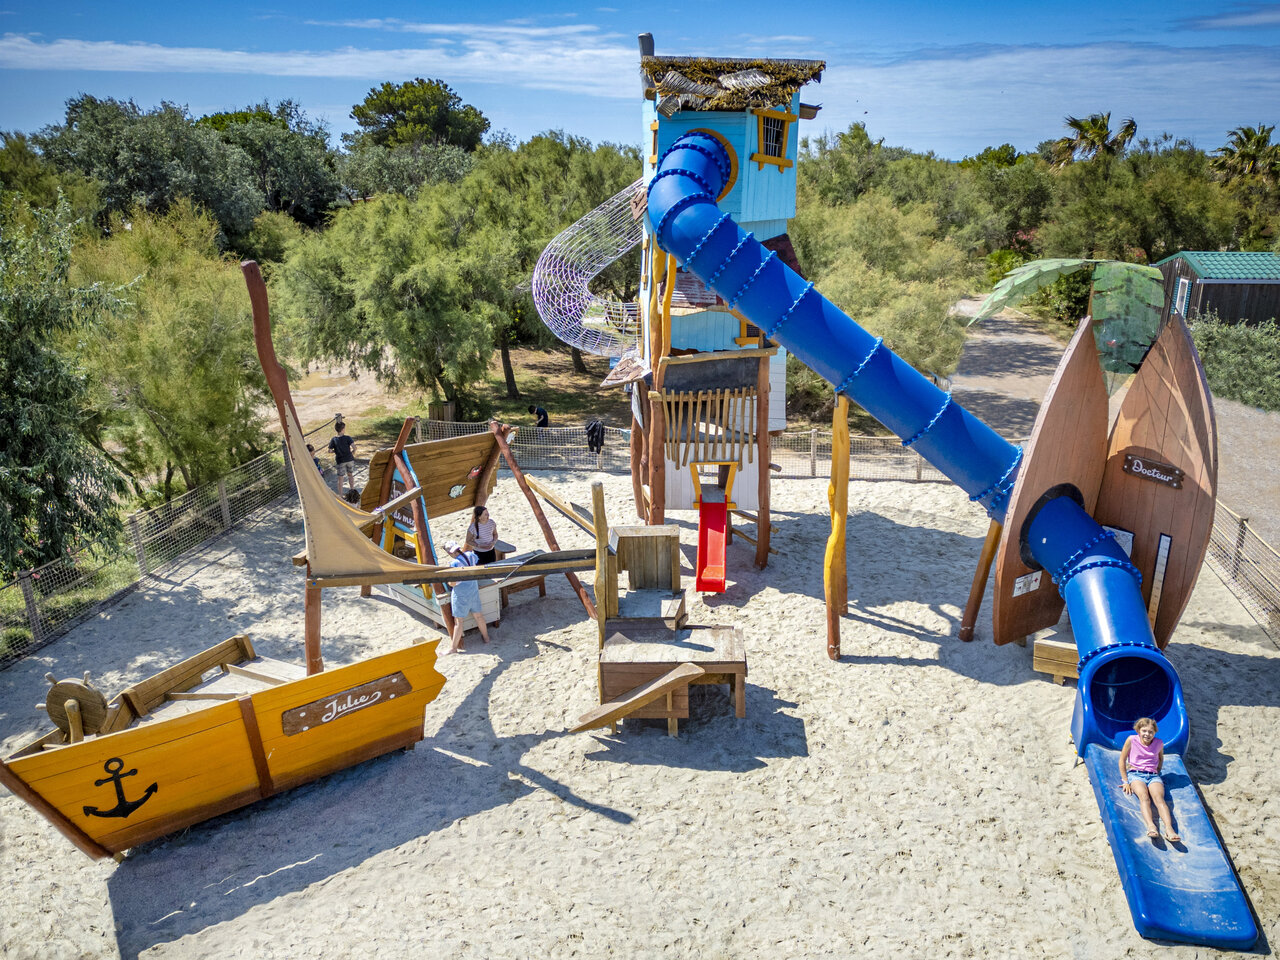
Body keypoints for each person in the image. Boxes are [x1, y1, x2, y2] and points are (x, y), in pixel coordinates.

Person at [1119, 717, 1181, 842]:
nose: (1147, 734)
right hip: (1135, 774)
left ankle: (1169, 829)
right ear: (1138, 730)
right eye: (1144, 731)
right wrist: (1125, 781)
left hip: (1153, 775)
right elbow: (1122, 760)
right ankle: (1151, 826)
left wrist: (1157, 771)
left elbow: (1160, 758)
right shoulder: (1132, 740)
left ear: (1154, 732)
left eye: (1150, 732)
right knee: (1144, 797)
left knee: (1159, 799)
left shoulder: (1159, 743)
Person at [443, 540, 490, 654]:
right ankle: (486, 638)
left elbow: (453, 583)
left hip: (461, 595)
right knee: (479, 616)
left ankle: (453, 648)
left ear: (450, 553)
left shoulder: (454, 564)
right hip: (473, 590)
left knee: (459, 622)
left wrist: (448, 582)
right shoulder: (470, 555)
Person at [328, 420, 357, 495]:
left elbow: (329, 451)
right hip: (349, 459)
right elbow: (354, 447)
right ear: (343, 429)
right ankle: (352, 491)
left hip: (340, 460)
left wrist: (335, 451)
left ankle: (340, 495)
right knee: (350, 475)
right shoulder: (348, 438)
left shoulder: (334, 439)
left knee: (340, 478)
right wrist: (352, 452)